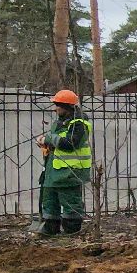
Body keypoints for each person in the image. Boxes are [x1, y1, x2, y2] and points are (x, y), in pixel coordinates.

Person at [36, 90, 92, 236]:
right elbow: (57, 142)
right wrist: (45, 144)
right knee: (49, 200)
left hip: (70, 172)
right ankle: (50, 228)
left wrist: (48, 139)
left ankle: (71, 231)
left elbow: (70, 143)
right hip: (53, 171)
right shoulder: (59, 123)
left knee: (70, 202)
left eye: (57, 106)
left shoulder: (79, 124)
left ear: (66, 106)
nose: (55, 109)